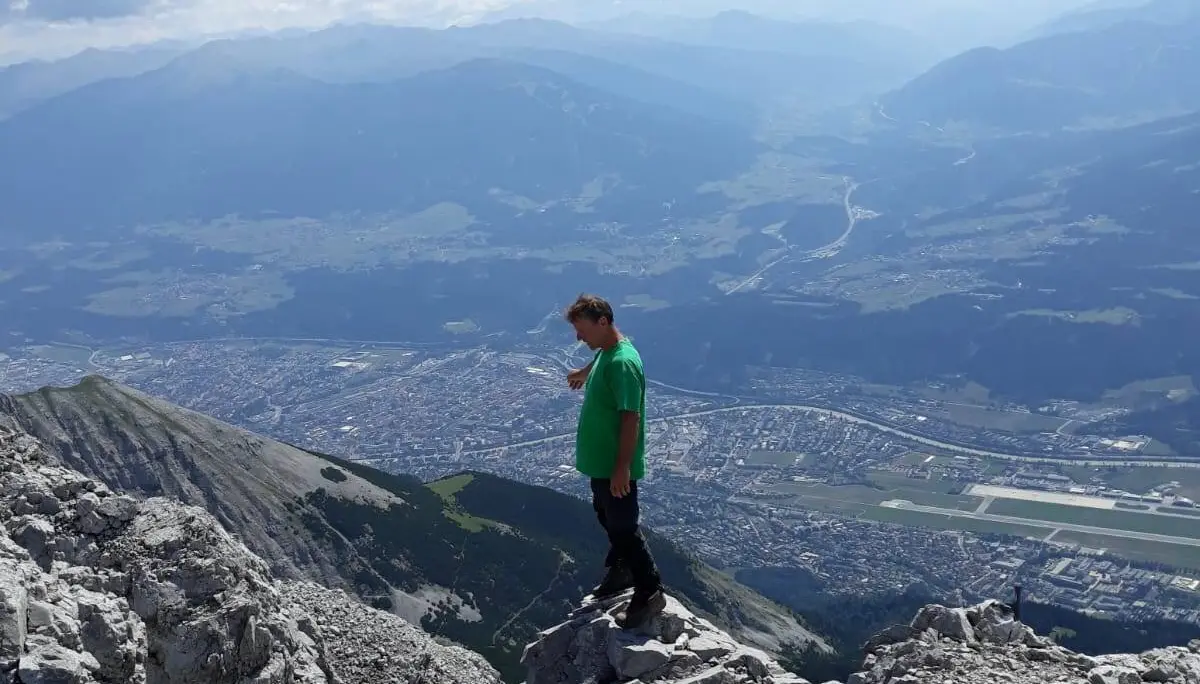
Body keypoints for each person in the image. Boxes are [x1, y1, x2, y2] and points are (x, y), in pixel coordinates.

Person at [564, 293, 666, 629]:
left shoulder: (623, 363)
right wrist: (585, 369)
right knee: (606, 516)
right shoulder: (611, 352)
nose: (579, 338)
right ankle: (621, 569)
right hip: (602, 464)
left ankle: (648, 589)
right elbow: (608, 352)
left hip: (614, 466)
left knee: (623, 525)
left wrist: (622, 467)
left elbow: (630, 417)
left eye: (583, 330)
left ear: (603, 322)